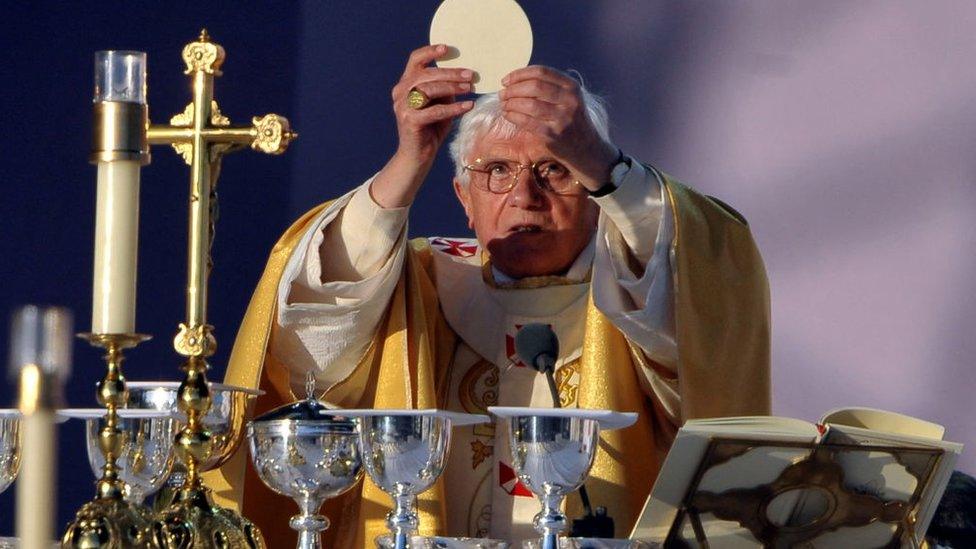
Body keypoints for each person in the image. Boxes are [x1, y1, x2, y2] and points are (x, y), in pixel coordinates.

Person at [203, 44, 771, 547]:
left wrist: (600, 160)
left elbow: (708, 284)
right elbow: (309, 348)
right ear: (462, 198)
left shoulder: (637, 289)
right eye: (496, 170)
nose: (525, 195)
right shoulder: (415, 283)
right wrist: (409, 159)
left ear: (598, 193)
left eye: (556, 170)